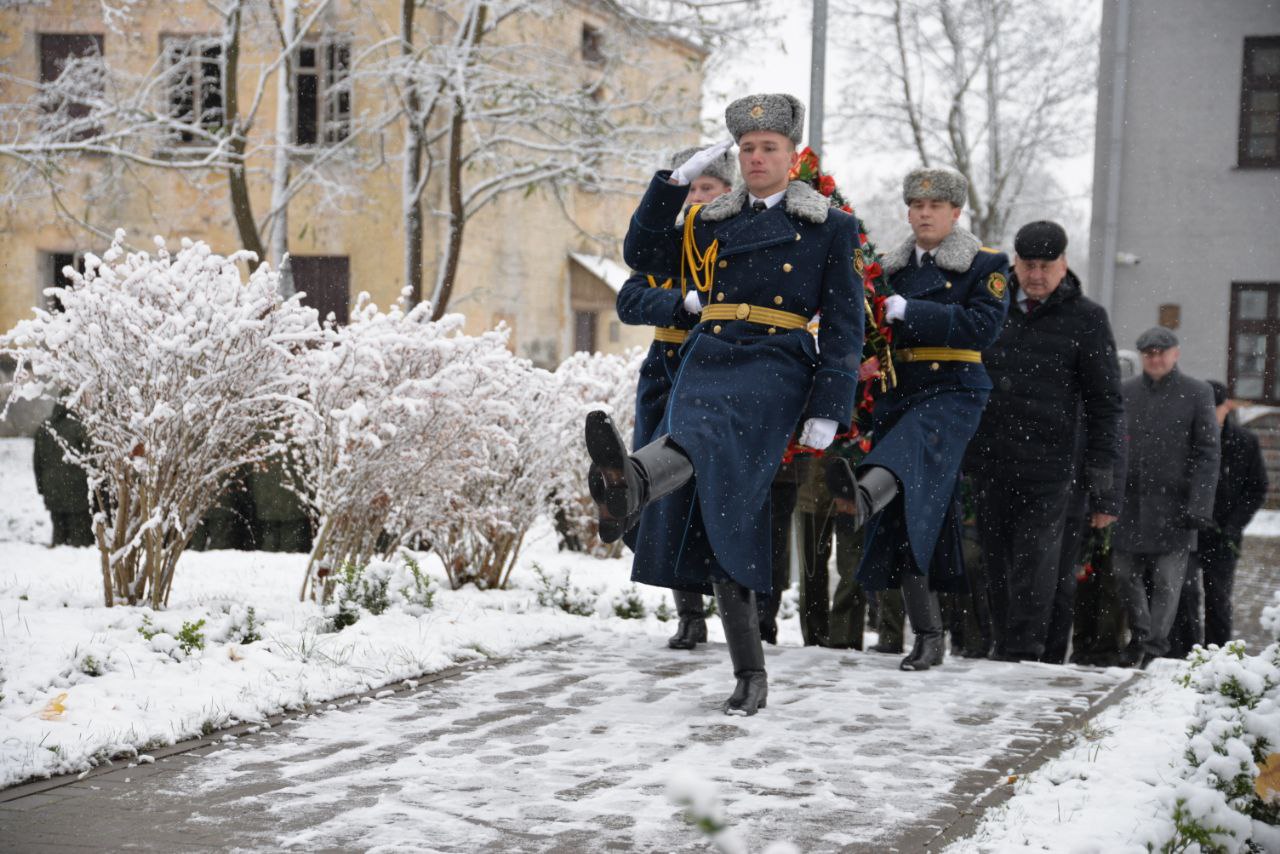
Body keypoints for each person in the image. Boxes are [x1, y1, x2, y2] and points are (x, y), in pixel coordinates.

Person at [584, 92, 863, 715]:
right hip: (707, 352)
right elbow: (641, 256)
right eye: (748, 148)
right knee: (715, 502)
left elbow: (847, 324)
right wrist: (670, 185)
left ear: (792, 155)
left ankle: (632, 479)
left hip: (777, 361)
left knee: (710, 457)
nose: (757, 157)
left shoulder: (831, 226)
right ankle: (749, 672)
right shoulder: (711, 221)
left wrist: (830, 403)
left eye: (769, 147)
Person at [826, 166, 1009, 672]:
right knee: (917, 513)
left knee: (906, 457)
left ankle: (866, 492)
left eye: (936, 206)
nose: (925, 214)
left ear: (956, 212)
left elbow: (983, 327)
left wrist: (913, 312)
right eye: (917, 206)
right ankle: (929, 634)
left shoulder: (986, 264)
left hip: (953, 390)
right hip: (901, 390)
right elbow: (871, 327)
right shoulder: (889, 268)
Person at [963, 220, 1124, 662]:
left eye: (1045, 266)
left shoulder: (1087, 319)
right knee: (996, 566)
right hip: (993, 463)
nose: (1035, 275)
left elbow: (1106, 404)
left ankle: (1023, 658)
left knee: (1037, 569)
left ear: (1063, 264)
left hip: (1053, 470)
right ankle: (1014, 652)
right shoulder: (990, 306)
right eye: (1028, 265)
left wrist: (1104, 487)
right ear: (1014, 262)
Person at [614, 144, 736, 651]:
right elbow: (629, 300)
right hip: (664, 374)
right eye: (691, 188)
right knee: (664, 493)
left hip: (720, 374)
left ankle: (746, 620)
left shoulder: (736, 240)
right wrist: (679, 303)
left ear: (728, 191)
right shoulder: (666, 242)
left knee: (716, 497)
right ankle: (689, 614)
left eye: (708, 188)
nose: (697, 197)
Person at [1112, 327, 1219, 668]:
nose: (1155, 359)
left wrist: (1199, 504)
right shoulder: (1126, 391)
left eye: (1161, 353)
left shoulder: (1197, 392)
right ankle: (1142, 634)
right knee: (1123, 573)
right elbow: (1112, 443)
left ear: (1175, 354)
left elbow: (1207, 453)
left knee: (1167, 581)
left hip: (1176, 507)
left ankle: (1154, 647)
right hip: (1129, 504)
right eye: (1149, 354)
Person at [1168, 380, 1267, 654]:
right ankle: (1185, 653)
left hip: (1223, 533)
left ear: (1226, 407)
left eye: (1213, 408)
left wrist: (1233, 526)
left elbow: (1256, 488)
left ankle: (1217, 654)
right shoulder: (1183, 441)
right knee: (1184, 594)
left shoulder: (1245, 442)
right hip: (1188, 531)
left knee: (1218, 597)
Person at [32, 403, 94, 547]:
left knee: (59, 532)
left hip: (52, 490)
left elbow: (37, 462)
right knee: (80, 537)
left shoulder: (44, 427)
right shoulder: (80, 427)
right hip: (78, 492)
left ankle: (57, 551)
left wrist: (41, 487)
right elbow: (92, 460)